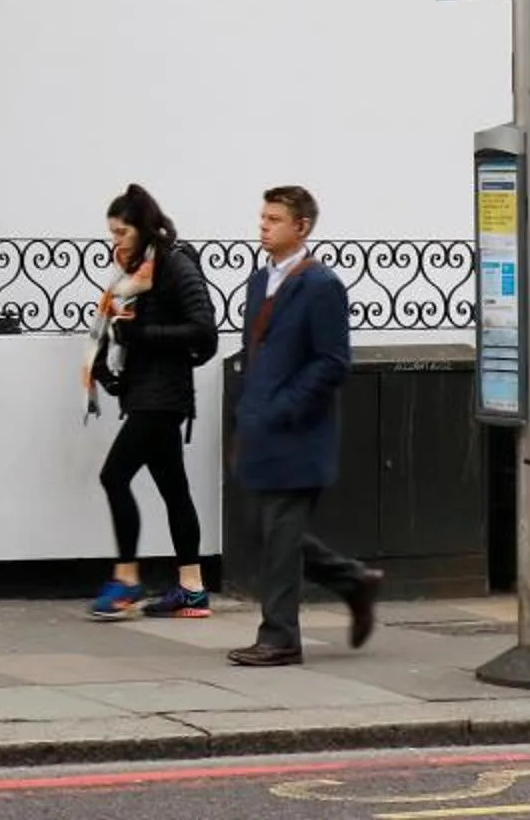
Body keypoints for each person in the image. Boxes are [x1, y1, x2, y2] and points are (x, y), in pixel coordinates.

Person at [227, 183, 382, 665]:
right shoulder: (260, 281)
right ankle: (352, 580)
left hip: (298, 433)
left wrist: (285, 405)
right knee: (266, 531)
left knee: (278, 536)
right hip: (260, 429)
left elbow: (333, 361)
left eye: (274, 219)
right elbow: (258, 353)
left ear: (302, 227)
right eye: (263, 217)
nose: (263, 226)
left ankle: (279, 637)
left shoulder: (321, 285)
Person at [83, 185, 219, 620]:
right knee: (174, 489)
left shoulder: (175, 266)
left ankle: (126, 579)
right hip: (146, 393)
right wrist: (109, 369)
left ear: (142, 228)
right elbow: (119, 330)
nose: (115, 242)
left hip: (164, 397)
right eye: (111, 234)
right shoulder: (136, 272)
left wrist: (141, 336)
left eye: (121, 232)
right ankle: (192, 589)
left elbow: (203, 330)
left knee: (114, 475)